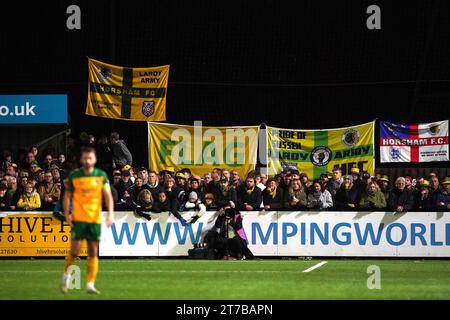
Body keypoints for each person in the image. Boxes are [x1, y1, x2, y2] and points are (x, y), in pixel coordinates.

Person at [60, 147, 114, 295]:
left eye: (90, 158)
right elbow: (67, 196)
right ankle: (65, 276)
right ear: (81, 159)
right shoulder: (74, 176)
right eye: (85, 158)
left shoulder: (101, 175)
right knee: (75, 251)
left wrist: (110, 214)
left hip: (95, 220)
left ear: (95, 159)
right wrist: (67, 214)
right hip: (79, 219)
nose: (87, 160)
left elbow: (108, 196)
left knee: (93, 251)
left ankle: (90, 283)